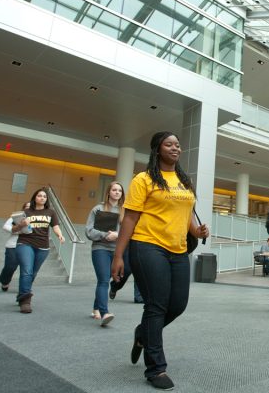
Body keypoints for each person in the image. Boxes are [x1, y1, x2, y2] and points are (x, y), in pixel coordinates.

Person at [111, 131, 209, 391]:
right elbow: (130, 218)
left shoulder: (184, 181)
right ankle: (156, 368)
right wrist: (119, 255)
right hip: (147, 245)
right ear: (157, 149)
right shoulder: (143, 179)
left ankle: (142, 333)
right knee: (156, 305)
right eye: (169, 144)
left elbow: (187, 216)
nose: (175, 148)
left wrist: (196, 232)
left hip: (178, 250)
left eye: (178, 144)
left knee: (177, 305)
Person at [13, 188, 65, 314]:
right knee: (26, 271)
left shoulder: (50, 212)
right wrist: (22, 224)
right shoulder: (26, 212)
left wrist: (60, 235)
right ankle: (25, 301)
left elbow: (56, 226)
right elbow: (14, 229)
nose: (42, 198)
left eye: (44, 196)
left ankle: (22, 293)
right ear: (35, 197)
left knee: (32, 273)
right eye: (39, 196)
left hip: (42, 246)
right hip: (25, 243)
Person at [85, 181, 126, 326]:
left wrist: (117, 235)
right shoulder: (98, 208)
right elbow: (88, 230)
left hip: (117, 251)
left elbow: (129, 231)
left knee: (105, 279)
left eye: (119, 191)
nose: (117, 192)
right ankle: (104, 312)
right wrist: (104, 235)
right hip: (100, 248)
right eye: (114, 190)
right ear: (108, 192)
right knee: (103, 280)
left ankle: (96, 307)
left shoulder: (124, 211)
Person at [0, 202, 29, 292]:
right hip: (13, 245)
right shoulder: (16, 217)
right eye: (26, 207)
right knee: (10, 266)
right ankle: (5, 282)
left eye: (31, 207)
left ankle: (24, 288)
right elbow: (5, 226)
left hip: (28, 245)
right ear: (23, 208)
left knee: (26, 269)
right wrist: (17, 231)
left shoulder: (36, 218)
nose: (28, 209)